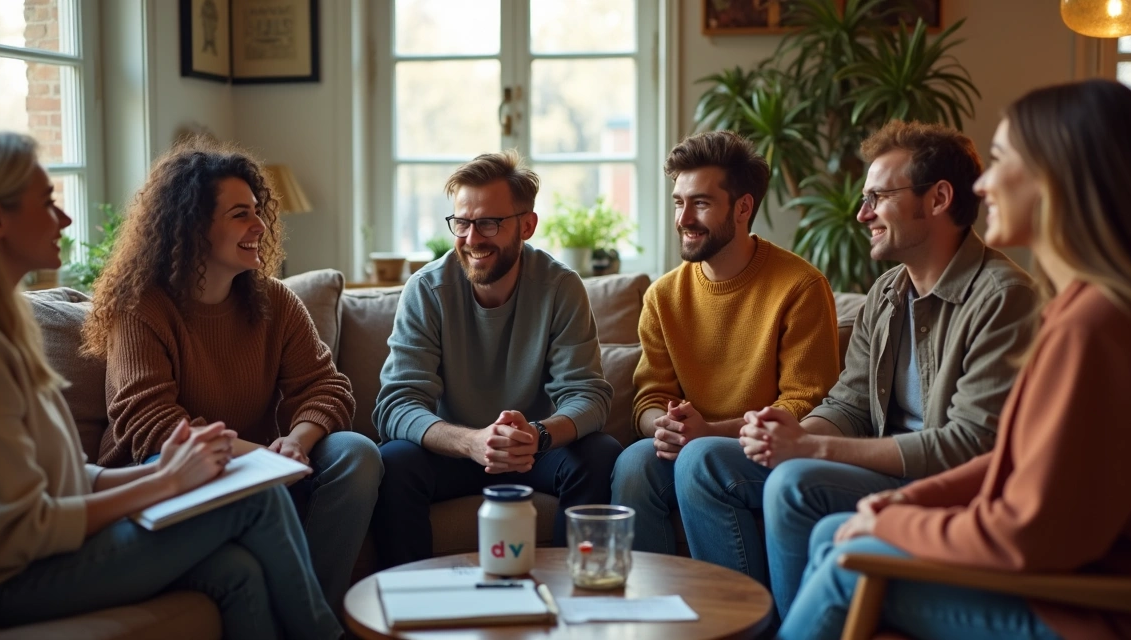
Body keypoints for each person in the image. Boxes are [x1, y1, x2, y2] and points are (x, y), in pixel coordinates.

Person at [778, 78, 1131, 640]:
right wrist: (898, 502)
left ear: (1059, 175)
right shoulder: (1078, 310)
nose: (982, 183)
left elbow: (1021, 533)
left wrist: (896, 519)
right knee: (837, 532)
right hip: (1055, 574)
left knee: (842, 569)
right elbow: (1011, 461)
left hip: (1083, 606)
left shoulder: (1089, 326)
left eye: (999, 159)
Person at [0, 126, 341, 639]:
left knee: (236, 573)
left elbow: (61, 478)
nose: (64, 218)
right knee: (254, 496)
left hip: (37, 556)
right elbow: (15, 534)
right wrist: (162, 482)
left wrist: (170, 475)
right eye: (47, 203)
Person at [684, 121, 1038, 609]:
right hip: (874, 470)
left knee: (793, 481)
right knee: (702, 460)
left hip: (940, 485)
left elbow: (970, 446)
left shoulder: (1004, 297)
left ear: (937, 199)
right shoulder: (887, 292)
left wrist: (812, 448)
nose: (861, 213)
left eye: (878, 197)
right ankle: (743, 621)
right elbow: (848, 404)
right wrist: (788, 433)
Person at [84, 137, 381, 612]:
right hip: (159, 471)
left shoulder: (275, 301)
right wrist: (266, 462)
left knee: (357, 454)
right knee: (263, 491)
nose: (260, 225)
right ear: (194, 226)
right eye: (241, 214)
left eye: (258, 210)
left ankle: (319, 608)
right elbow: (155, 425)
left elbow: (326, 387)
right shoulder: (143, 307)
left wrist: (297, 442)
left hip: (259, 463)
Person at [370, 150, 622, 567]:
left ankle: (567, 597)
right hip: (453, 451)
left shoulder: (561, 287)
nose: (472, 238)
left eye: (488, 222)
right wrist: (471, 441)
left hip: (533, 449)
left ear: (526, 225)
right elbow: (396, 404)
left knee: (599, 454)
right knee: (394, 461)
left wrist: (537, 434)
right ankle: (406, 603)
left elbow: (589, 396)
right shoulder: (426, 290)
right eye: (462, 223)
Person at [610, 130, 840, 564]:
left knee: (701, 455)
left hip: (763, 452)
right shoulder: (663, 297)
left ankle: (736, 620)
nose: (683, 218)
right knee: (634, 464)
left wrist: (710, 433)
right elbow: (648, 398)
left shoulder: (800, 287)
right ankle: (653, 613)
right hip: (691, 445)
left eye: (700, 203)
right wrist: (664, 425)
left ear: (743, 208)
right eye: (679, 202)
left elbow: (808, 404)